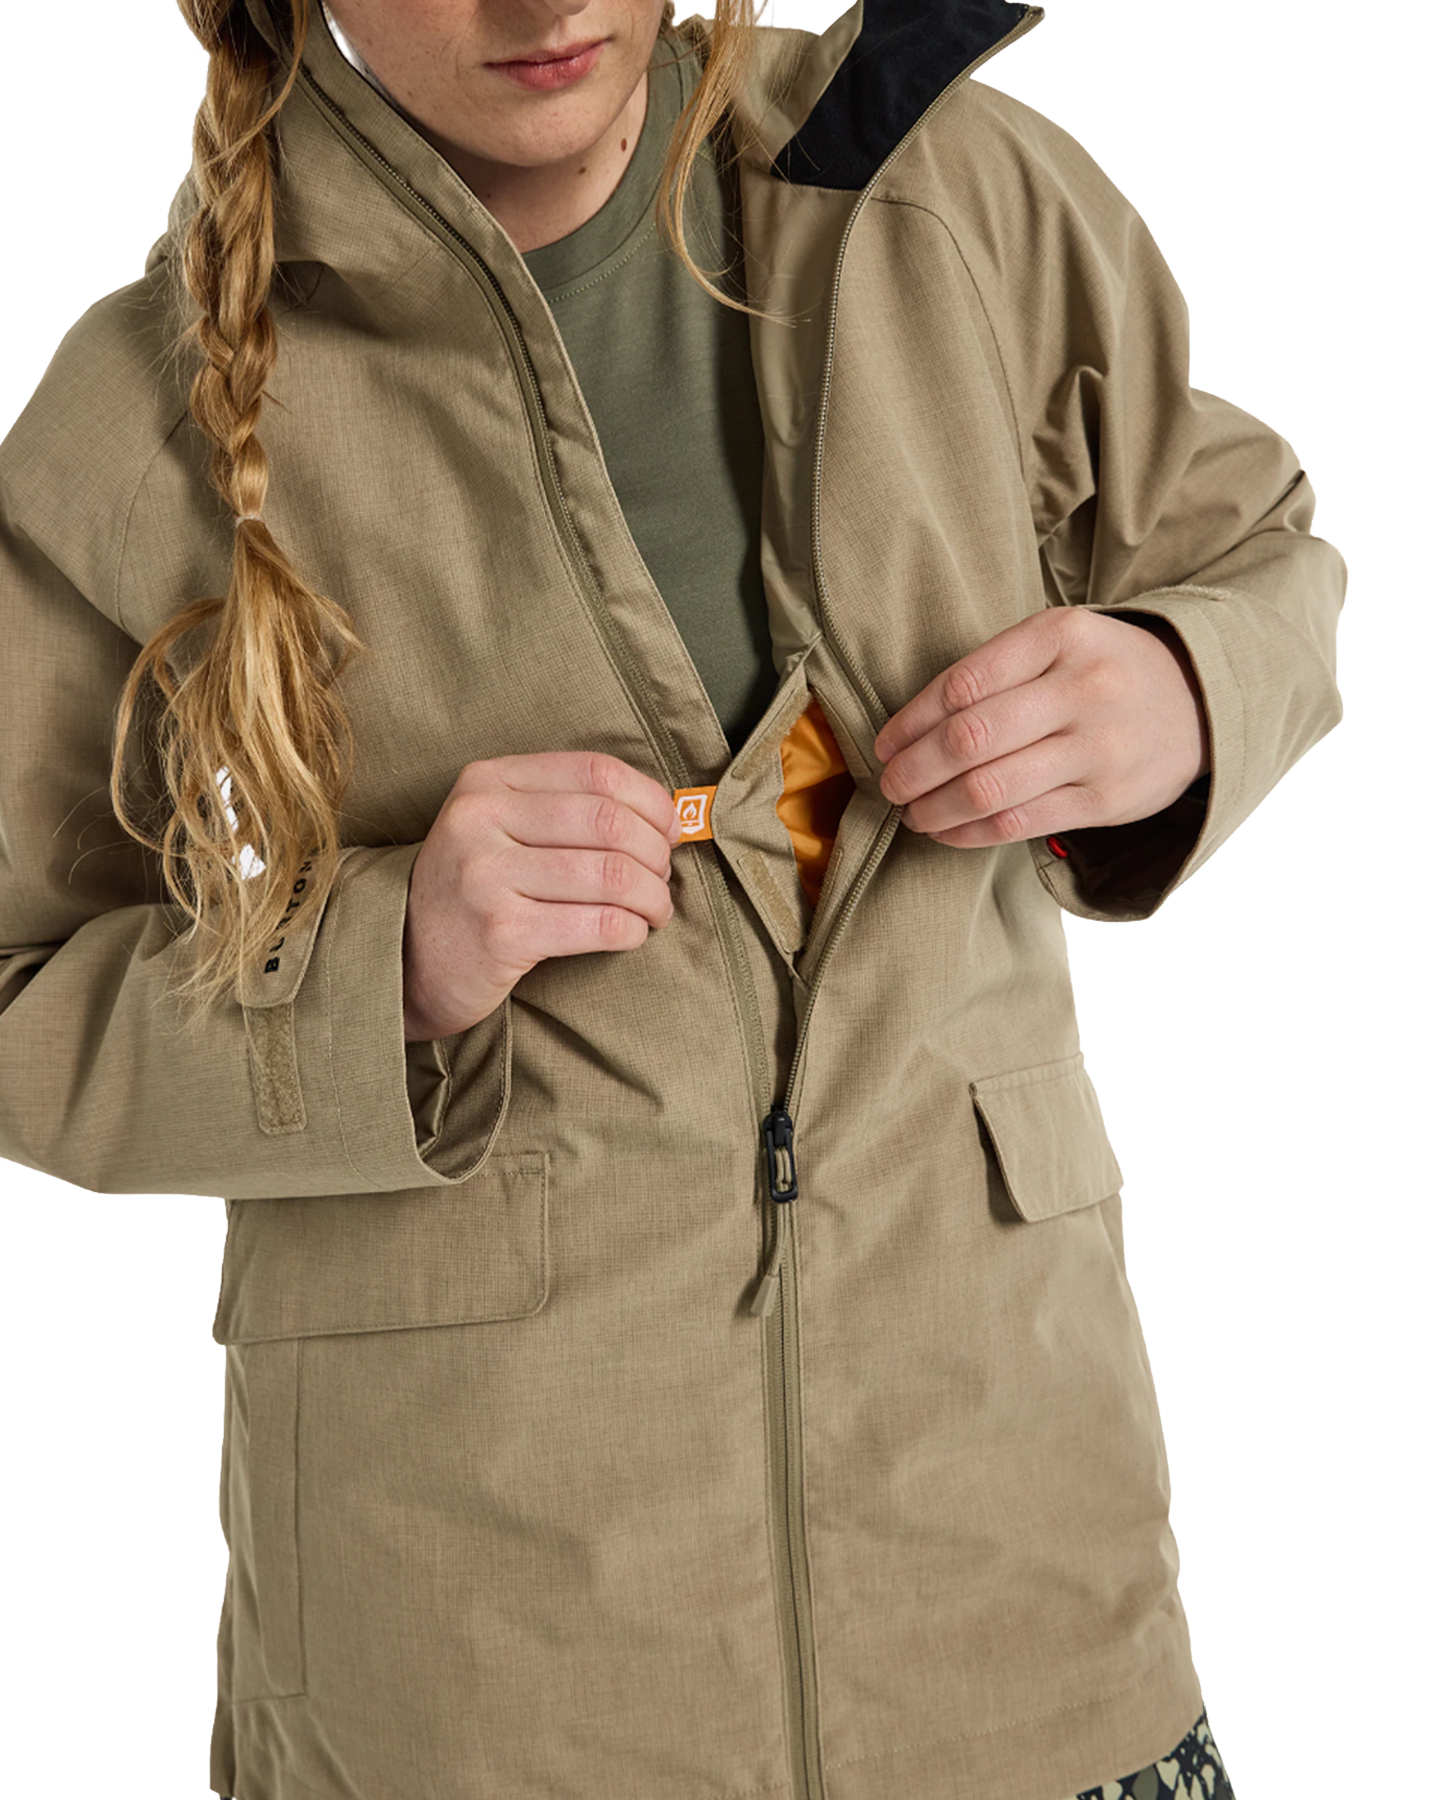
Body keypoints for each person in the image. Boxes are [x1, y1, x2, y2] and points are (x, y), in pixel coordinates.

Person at [0, 0, 1345, 1795]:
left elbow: (1251, 552)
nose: (544, 4)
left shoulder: (945, 193)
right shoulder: (151, 411)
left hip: (1028, 1613)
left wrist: (1182, 688)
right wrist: (380, 971)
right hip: (480, 1694)